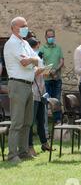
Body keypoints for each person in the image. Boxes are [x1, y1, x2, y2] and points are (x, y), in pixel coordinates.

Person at [4, 17, 43, 163]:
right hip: (17, 84)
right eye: (23, 26)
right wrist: (34, 60)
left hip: (28, 84)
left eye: (26, 25)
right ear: (14, 27)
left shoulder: (25, 43)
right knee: (17, 121)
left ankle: (24, 151)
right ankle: (12, 154)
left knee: (27, 121)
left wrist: (33, 60)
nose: (26, 28)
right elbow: (26, 63)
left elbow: (36, 60)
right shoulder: (12, 44)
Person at [27, 37, 52, 155]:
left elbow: (41, 74)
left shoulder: (39, 58)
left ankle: (44, 143)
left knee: (41, 120)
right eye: (37, 46)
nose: (38, 49)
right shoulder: (29, 58)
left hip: (42, 91)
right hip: (33, 92)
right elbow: (29, 75)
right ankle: (30, 146)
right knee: (31, 122)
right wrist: (39, 70)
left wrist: (46, 70)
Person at [39, 29, 64, 125]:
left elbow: (61, 61)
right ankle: (44, 121)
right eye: (49, 36)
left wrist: (55, 69)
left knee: (56, 100)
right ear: (45, 37)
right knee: (46, 101)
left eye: (52, 36)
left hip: (57, 78)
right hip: (46, 79)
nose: (51, 38)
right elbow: (39, 62)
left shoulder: (58, 48)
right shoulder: (42, 49)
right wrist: (48, 71)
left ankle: (57, 121)